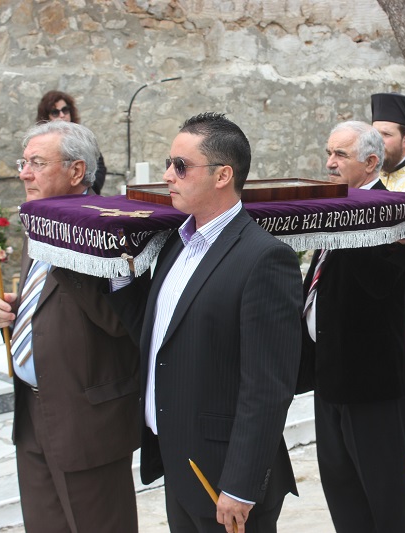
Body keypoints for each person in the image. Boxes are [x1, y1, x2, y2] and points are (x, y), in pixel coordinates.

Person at [108, 112, 303, 533]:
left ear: (222, 175)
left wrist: (241, 486)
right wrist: (119, 274)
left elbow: (267, 387)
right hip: (179, 463)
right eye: (169, 163)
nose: (167, 176)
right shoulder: (174, 245)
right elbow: (160, 336)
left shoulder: (265, 259)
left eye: (181, 166)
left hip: (225, 479)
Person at [0, 120, 140, 532]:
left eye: (37, 163)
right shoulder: (40, 219)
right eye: (23, 163)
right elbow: (48, 303)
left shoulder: (113, 226)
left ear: (76, 171)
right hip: (32, 414)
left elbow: (122, 322)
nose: (24, 173)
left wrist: (66, 250)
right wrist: (11, 312)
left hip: (86, 421)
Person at [301, 121, 405, 533]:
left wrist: (347, 224)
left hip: (372, 386)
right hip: (329, 377)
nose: (330, 163)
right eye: (328, 153)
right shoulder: (337, 208)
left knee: (384, 496)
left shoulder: (394, 211)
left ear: (370, 162)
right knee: (342, 492)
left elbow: (381, 284)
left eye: (340, 155)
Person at [36, 90, 107, 195]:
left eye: (65, 110)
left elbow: (99, 167)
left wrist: (85, 189)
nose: (62, 115)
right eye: (55, 112)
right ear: (47, 117)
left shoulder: (82, 138)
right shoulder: (40, 143)